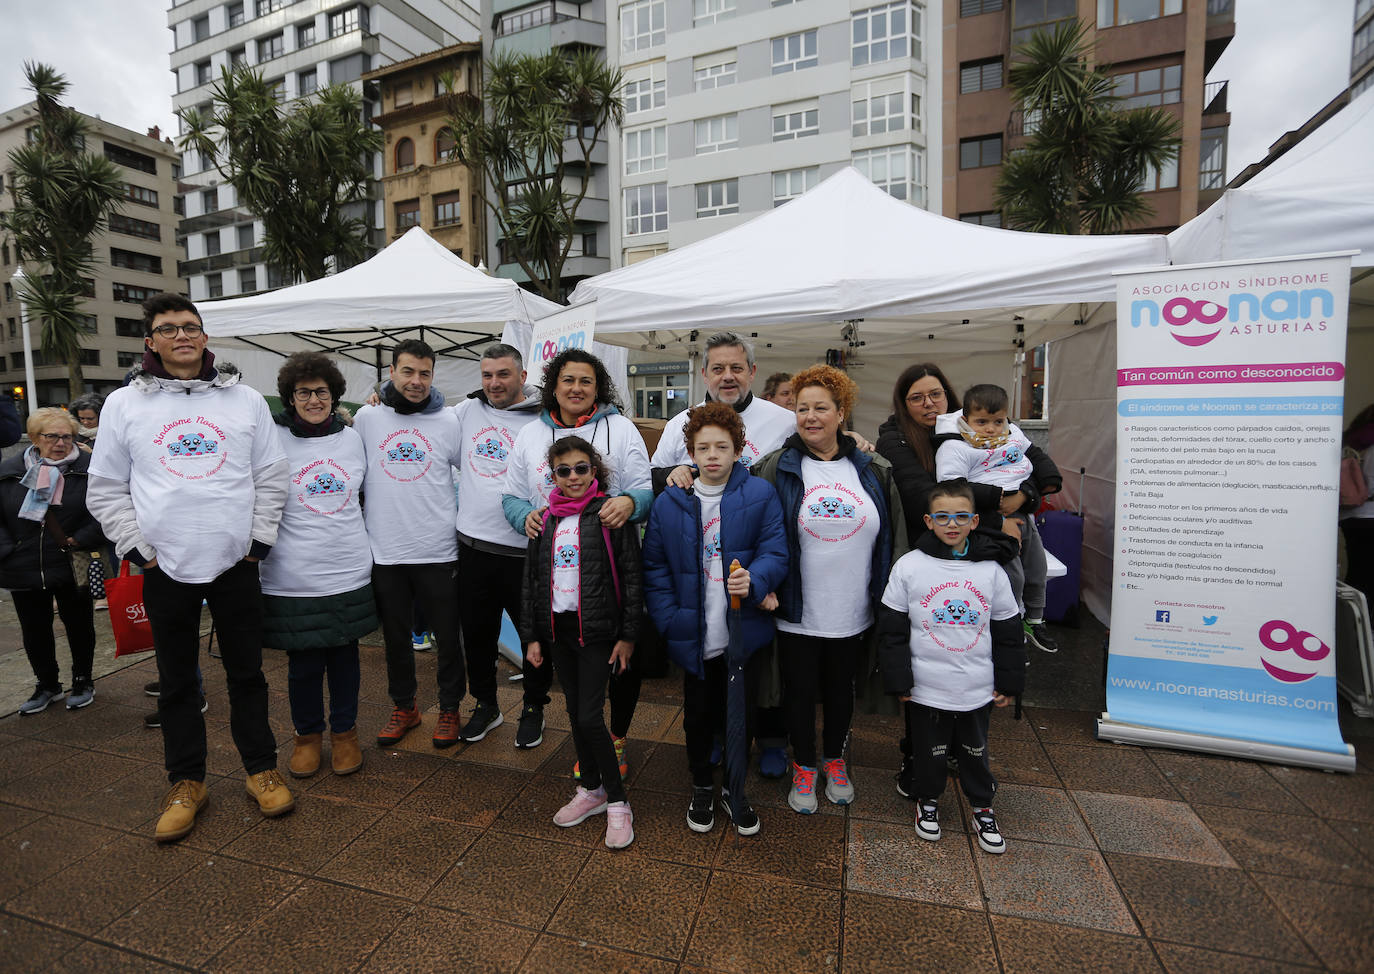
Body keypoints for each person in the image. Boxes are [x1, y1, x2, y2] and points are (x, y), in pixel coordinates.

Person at [87, 292, 294, 843]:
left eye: (191, 326)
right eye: (168, 328)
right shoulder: (123, 405)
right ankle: (186, 782)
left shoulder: (245, 400)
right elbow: (105, 488)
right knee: (177, 681)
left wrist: (258, 541)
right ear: (149, 341)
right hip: (164, 565)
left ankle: (259, 768)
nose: (182, 335)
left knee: (248, 673)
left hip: (236, 561)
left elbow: (272, 475)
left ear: (204, 336)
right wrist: (139, 550)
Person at [651, 333, 808, 780]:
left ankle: (773, 740)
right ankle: (718, 740)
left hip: (767, 557)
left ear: (752, 371)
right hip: (706, 565)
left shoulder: (781, 419)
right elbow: (658, 473)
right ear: (703, 373)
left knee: (764, 666)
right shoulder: (680, 422)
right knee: (715, 664)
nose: (727, 376)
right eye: (718, 368)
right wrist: (674, 471)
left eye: (736, 368)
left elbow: (820, 442)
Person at [754, 365, 906, 814]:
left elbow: (895, 536)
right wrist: (762, 583)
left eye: (822, 408)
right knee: (799, 691)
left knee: (842, 690)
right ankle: (803, 765)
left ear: (842, 414)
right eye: (802, 408)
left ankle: (834, 759)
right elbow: (756, 530)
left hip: (855, 606)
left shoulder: (874, 468)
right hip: (797, 607)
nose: (811, 416)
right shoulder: (777, 466)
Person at [503, 348, 651, 778]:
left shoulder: (621, 430)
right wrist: (522, 515)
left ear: (598, 388)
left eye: (586, 381)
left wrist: (628, 501)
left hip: (609, 568)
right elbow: (511, 496)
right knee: (572, 666)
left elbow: (645, 490)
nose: (576, 389)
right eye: (568, 380)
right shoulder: (530, 434)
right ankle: (590, 742)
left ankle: (616, 740)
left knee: (620, 663)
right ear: (554, 386)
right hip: (558, 569)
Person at [642, 402, 789, 836]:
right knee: (697, 717)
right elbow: (656, 567)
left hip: (742, 631)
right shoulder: (671, 502)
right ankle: (702, 786)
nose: (712, 456)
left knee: (739, 715)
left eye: (721, 447)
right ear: (689, 451)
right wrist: (669, 619)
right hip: (692, 629)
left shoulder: (759, 494)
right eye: (702, 447)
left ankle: (735, 790)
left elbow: (776, 551)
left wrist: (757, 581)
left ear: (738, 450)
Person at [876, 478, 1024, 855]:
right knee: (930, 752)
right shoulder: (909, 566)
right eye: (942, 517)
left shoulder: (991, 571)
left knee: (975, 752)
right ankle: (928, 801)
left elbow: (1008, 630)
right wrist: (899, 681)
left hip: (976, 686)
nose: (952, 524)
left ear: (975, 521)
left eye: (961, 516)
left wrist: (1009, 683)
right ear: (928, 521)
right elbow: (891, 631)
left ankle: (983, 806)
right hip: (927, 686)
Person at [520, 436, 642, 850]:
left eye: (581, 468)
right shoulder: (545, 520)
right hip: (558, 630)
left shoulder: (608, 515)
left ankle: (618, 801)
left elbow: (631, 578)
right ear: (552, 475)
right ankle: (590, 788)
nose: (573, 477)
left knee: (590, 715)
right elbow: (532, 583)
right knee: (574, 711)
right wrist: (532, 636)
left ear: (595, 471)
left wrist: (627, 635)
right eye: (563, 470)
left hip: (598, 632)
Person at [260, 353, 377, 778]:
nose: (313, 400)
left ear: (334, 395)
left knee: (346, 659)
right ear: (290, 398)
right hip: (292, 572)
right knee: (304, 664)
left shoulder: (352, 438)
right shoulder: (272, 438)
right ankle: (307, 736)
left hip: (347, 567)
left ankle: (345, 733)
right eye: (304, 392)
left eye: (321, 392)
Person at [352, 340, 465, 748]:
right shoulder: (367, 417)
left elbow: (472, 471)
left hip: (438, 548)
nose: (416, 381)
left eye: (424, 373)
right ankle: (406, 706)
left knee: (449, 639)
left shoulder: (450, 421)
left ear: (433, 376)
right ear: (391, 373)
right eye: (408, 372)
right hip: (385, 550)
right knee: (396, 638)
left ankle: (450, 708)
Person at [452, 344, 546, 748]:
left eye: (503, 374)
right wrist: (382, 397)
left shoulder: (543, 420)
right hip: (473, 548)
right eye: (487, 374)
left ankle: (534, 708)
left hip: (526, 552)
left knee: (533, 639)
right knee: (476, 635)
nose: (494, 383)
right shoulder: (465, 412)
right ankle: (486, 705)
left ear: (522, 376)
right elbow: (422, 415)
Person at [934, 383, 1062, 653]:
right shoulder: (955, 447)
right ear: (965, 419)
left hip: (1024, 512)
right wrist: (996, 499)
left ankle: (1034, 619)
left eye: (998, 421)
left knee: (1037, 567)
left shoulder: (1012, 434)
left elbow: (1035, 455)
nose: (991, 429)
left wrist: (1046, 481)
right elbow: (953, 487)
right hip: (990, 516)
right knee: (1011, 574)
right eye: (982, 422)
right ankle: (1010, 624)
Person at [0, 408, 104, 714]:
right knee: (34, 629)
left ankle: (83, 680)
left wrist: (82, 538)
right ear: (34, 438)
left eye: (67, 436)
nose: (60, 443)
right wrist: (8, 549)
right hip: (24, 562)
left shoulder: (90, 468)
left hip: (72, 559)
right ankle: (47, 684)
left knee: (79, 624)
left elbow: (107, 508)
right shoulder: (9, 470)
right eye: (52, 436)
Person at [877, 363, 963, 547]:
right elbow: (922, 502)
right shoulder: (893, 442)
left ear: (947, 394)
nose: (929, 403)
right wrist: (998, 519)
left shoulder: (975, 428)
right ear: (903, 405)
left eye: (935, 394)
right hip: (929, 550)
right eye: (916, 398)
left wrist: (1023, 495)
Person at [1341, 403, 1374, 608]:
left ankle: (1352, 622)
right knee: (1367, 576)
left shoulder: (1354, 441)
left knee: (1358, 572)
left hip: (1349, 516)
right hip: (1370, 515)